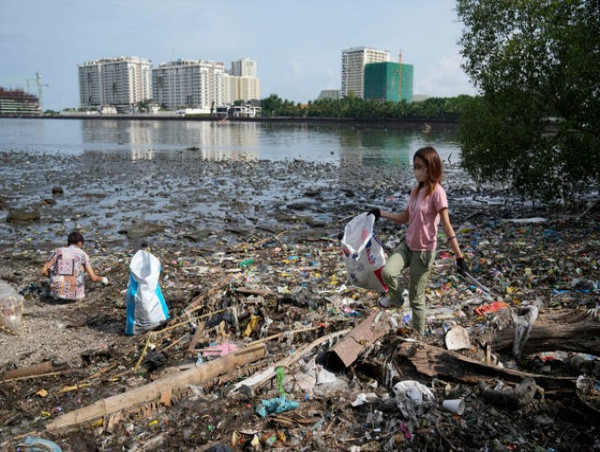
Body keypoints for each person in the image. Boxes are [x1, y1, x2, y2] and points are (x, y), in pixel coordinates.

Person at [368, 146, 466, 336]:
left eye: (419, 166)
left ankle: (419, 337)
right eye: (414, 167)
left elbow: (446, 226)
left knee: (416, 299)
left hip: (424, 252)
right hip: (408, 245)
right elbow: (405, 217)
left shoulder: (438, 192)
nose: (416, 171)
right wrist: (381, 213)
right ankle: (396, 300)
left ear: (431, 167)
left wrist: (459, 257)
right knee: (387, 272)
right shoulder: (416, 190)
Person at [41, 230, 108, 301]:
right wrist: (104, 279)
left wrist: (55, 277)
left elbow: (43, 271)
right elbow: (93, 278)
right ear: (79, 243)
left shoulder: (58, 251)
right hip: (76, 296)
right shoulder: (83, 254)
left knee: (57, 268)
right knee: (81, 267)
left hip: (56, 294)